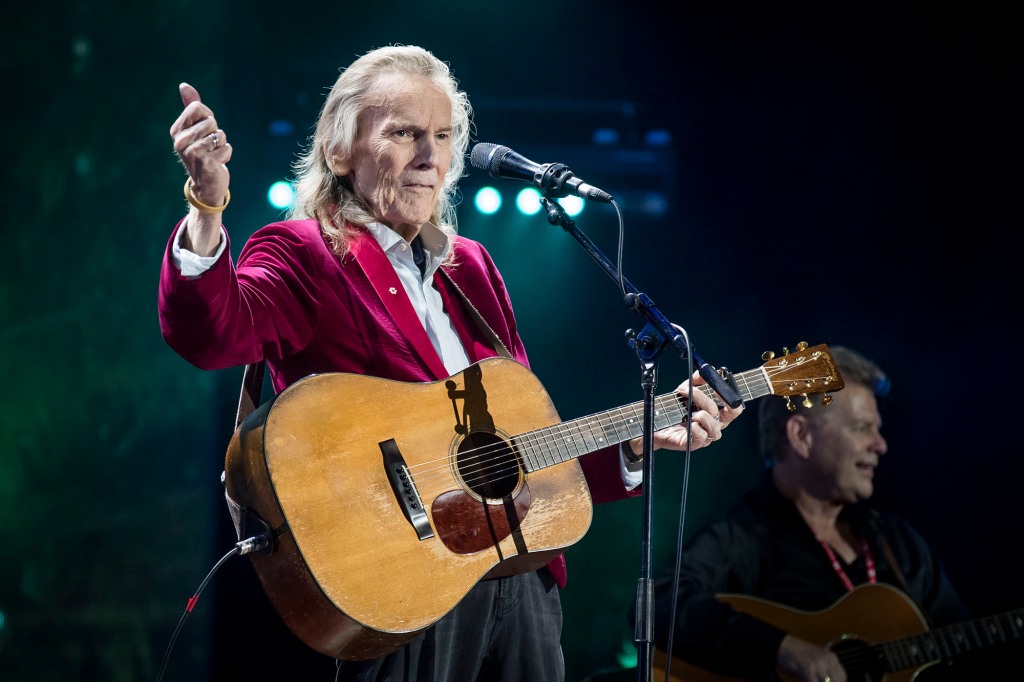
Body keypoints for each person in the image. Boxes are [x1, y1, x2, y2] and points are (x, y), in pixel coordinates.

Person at [159, 44, 743, 681]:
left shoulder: (474, 267)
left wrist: (633, 448)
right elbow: (212, 336)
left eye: (442, 135)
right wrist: (206, 210)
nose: (430, 156)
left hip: (518, 580)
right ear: (339, 151)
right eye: (404, 132)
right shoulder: (304, 251)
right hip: (398, 584)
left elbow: (517, 451)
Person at [650, 345, 985, 682]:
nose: (880, 445)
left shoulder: (897, 543)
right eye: (861, 428)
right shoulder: (741, 539)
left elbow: (968, 642)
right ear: (801, 436)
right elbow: (655, 605)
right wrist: (782, 648)